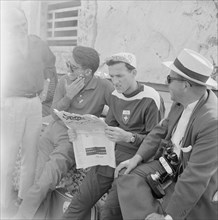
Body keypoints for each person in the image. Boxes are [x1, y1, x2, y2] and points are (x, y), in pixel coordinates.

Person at [115, 48, 218, 220]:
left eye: (169, 79)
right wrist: (137, 158)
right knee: (126, 177)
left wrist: (169, 217)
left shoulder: (212, 121)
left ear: (185, 85)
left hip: (191, 175)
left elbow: (195, 176)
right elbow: (160, 130)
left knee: (187, 210)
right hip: (168, 165)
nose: (166, 82)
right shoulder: (180, 102)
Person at [14, 46, 114, 219]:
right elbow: (53, 113)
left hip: (70, 140)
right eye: (68, 64)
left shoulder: (103, 86)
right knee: (37, 183)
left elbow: (117, 112)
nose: (68, 70)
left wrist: (100, 124)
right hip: (50, 134)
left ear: (88, 72)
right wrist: (68, 96)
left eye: (73, 67)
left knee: (44, 183)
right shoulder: (64, 82)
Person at [63, 52, 165, 220]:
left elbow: (156, 141)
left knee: (108, 212)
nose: (115, 81)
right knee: (79, 202)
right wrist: (79, 133)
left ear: (134, 73)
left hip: (132, 163)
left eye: (120, 76)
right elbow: (106, 129)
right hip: (108, 157)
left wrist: (130, 137)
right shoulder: (115, 95)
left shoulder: (151, 98)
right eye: (112, 77)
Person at [1, 7, 56, 217]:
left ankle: (24, 198)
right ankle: (4, 201)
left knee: (31, 153)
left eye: (23, 24)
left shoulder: (36, 43)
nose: (21, 29)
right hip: (9, 103)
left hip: (34, 102)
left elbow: (51, 66)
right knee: (7, 154)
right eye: (15, 26)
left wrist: (48, 94)